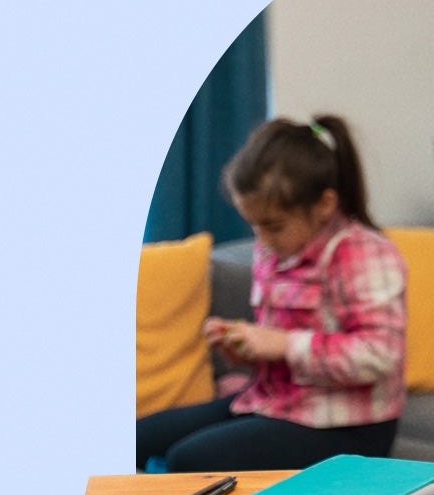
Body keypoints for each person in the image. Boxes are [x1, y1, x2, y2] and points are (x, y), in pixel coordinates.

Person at [136, 115, 407, 472]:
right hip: (277, 402)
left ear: (325, 204)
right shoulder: (274, 250)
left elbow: (380, 354)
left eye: (274, 226)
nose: (261, 241)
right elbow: (280, 344)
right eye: (254, 226)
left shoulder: (363, 253)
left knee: (188, 459)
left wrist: (282, 344)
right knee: (139, 437)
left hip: (349, 425)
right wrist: (248, 348)